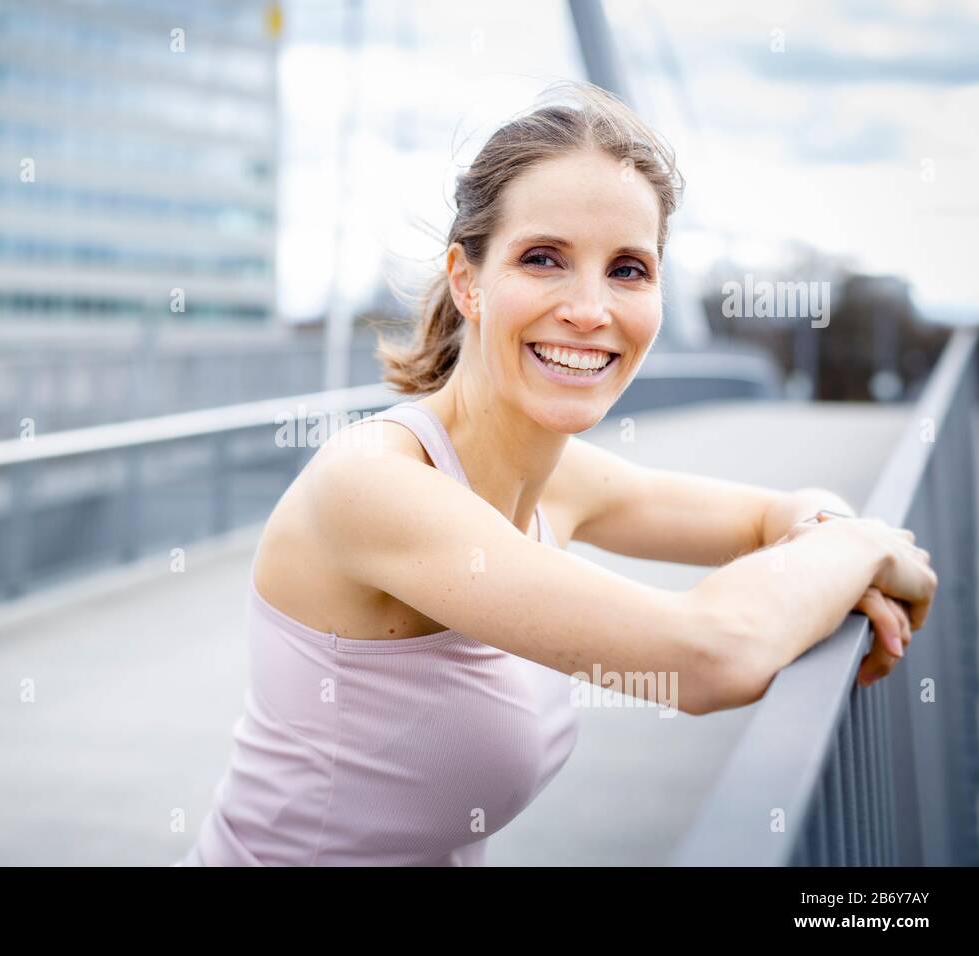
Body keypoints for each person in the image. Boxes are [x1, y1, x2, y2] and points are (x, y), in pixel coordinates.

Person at [174, 80, 937, 867]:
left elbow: (770, 517)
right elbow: (709, 655)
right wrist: (859, 552)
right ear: (467, 281)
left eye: (629, 269)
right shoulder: (372, 483)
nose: (588, 308)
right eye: (544, 259)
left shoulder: (561, 479)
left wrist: (826, 532)